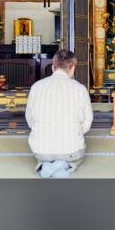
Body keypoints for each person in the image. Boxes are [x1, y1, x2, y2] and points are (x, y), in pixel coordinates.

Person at [24, 49, 93, 178]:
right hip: (71, 151)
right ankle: (65, 165)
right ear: (73, 68)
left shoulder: (36, 86)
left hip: (40, 150)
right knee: (77, 157)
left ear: (52, 67)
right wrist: (75, 131)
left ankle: (45, 165)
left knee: (44, 153)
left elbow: (30, 120)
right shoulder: (80, 88)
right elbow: (87, 124)